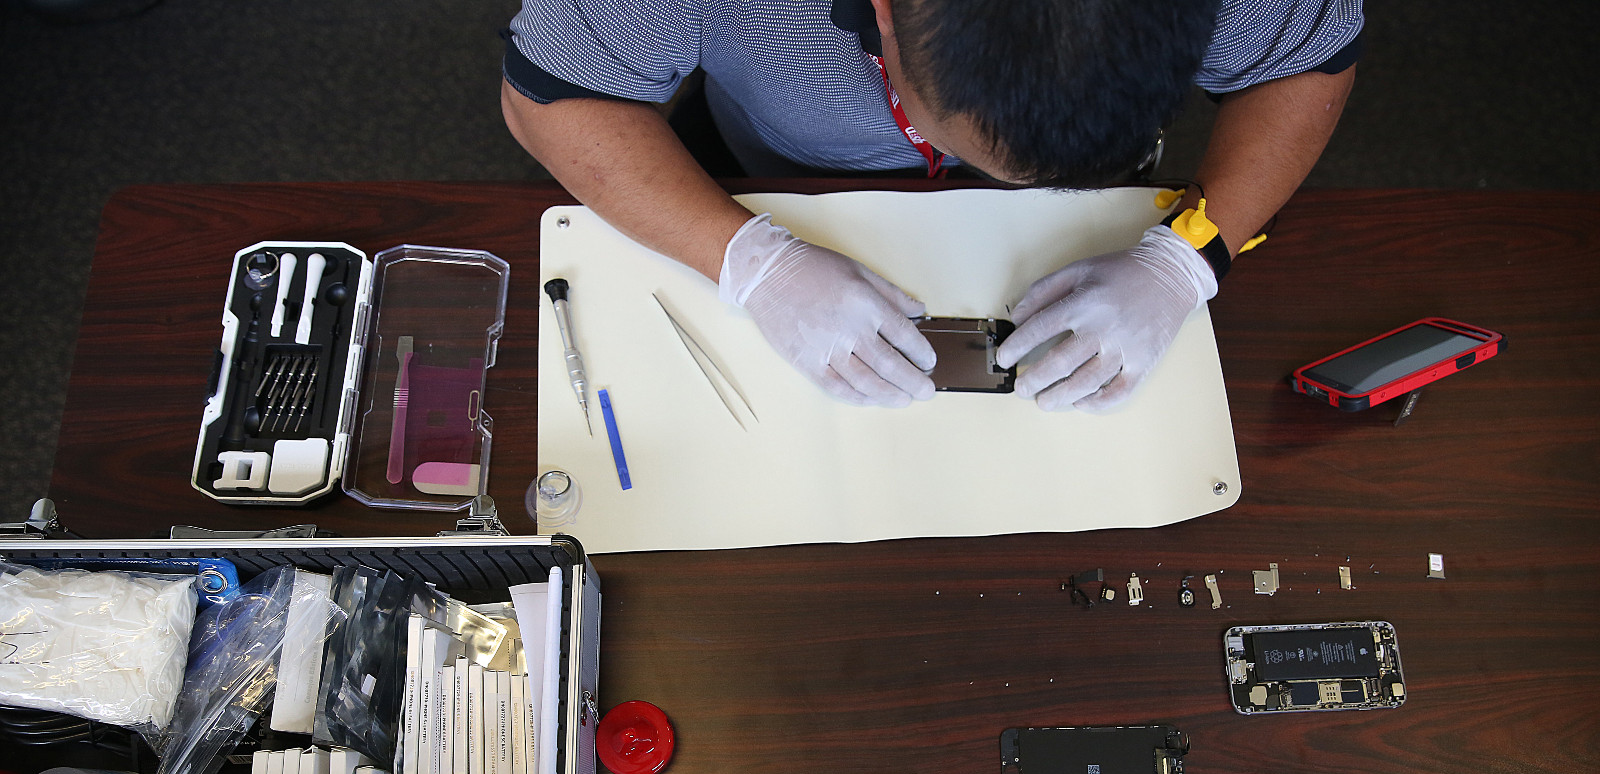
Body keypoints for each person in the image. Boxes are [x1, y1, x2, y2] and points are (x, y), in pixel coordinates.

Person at [501, 0, 1361, 411]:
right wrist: (743, 259)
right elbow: (546, 96)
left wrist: (1187, 258)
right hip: (771, 169)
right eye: (947, 130)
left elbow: (1306, 66)